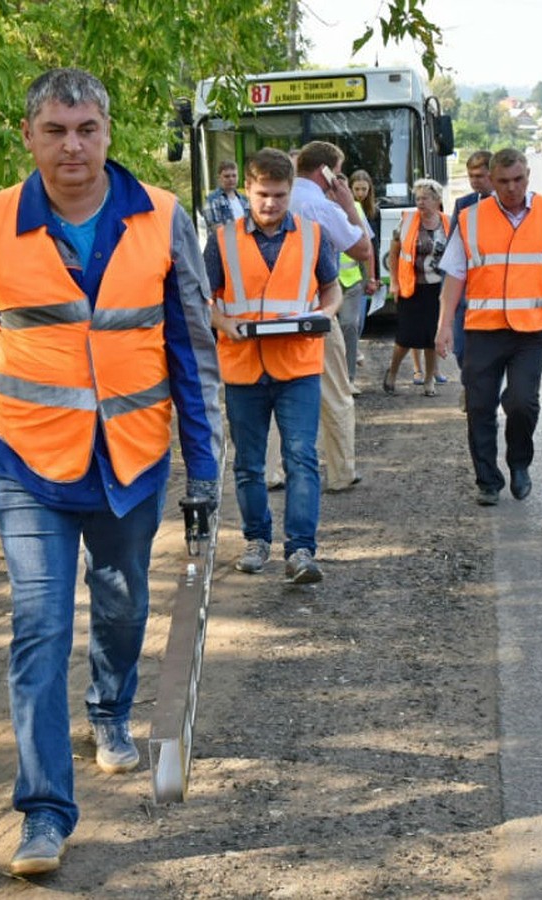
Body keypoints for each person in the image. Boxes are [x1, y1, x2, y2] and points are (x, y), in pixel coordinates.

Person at [0, 68, 223, 877]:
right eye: (55, 130)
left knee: (122, 604)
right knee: (40, 625)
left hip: (132, 457)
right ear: (29, 136)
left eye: (86, 128)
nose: (72, 145)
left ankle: (111, 711)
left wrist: (206, 458)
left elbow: (193, 348)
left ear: (108, 132)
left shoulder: (161, 218)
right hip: (29, 461)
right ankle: (44, 813)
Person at [203, 147, 341, 584]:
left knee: (301, 456)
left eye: (279, 195)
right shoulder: (222, 239)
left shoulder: (312, 235)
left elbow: (332, 290)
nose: (270, 204)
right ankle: (256, 539)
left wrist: (325, 317)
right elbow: (201, 300)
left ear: (290, 192)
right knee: (248, 462)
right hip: (243, 366)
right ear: (247, 189)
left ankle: (300, 551)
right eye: (263, 194)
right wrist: (224, 322)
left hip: (298, 365)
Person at [435, 147, 542, 506]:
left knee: (521, 403)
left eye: (518, 179)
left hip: (531, 330)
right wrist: (444, 325)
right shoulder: (471, 219)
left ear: (528, 175)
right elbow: (455, 277)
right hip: (483, 329)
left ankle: (519, 464)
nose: (511, 188)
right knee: (479, 406)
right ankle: (488, 480)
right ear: (491, 179)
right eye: (502, 181)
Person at [291, 141, 374, 492]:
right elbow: (363, 248)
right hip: (315, 309)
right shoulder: (320, 206)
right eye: (337, 171)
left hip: (268, 311)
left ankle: (272, 473)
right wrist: (348, 205)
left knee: (273, 394)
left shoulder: (276, 197)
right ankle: (341, 471)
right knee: (335, 391)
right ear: (325, 170)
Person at [384, 178, 449, 397]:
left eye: (426, 198)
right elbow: (394, 251)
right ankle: (392, 373)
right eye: (418, 198)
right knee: (405, 337)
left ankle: (429, 380)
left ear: (437, 200)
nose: (420, 202)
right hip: (410, 287)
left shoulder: (447, 223)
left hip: (438, 289)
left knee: (432, 337)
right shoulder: (407, 220)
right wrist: (394, 281)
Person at [447, 150, 493, 402]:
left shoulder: (506, 204)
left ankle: (478, 391)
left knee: (489, 352)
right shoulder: (463, 205)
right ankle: (469, 381)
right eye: (470, 176)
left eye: (480, 175)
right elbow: (454, 253)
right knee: (461, 349)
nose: (475, 181)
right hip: (466, 291)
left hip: (494, 293)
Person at [339, 169, 381, 391]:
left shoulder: (355, 209)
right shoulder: (317, 209)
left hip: (351, 279)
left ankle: (349, 380)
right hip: (324, 282)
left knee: (350, 325)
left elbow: (367, 248)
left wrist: (371, 277)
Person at [203, 159, 249, 227]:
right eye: (227, 176)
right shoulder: (212, 200)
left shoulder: (244, 199)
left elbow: (250, 226)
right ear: (219, 178)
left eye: (234, 176)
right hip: (227, 237)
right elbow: (216, 229)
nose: (231, 179)